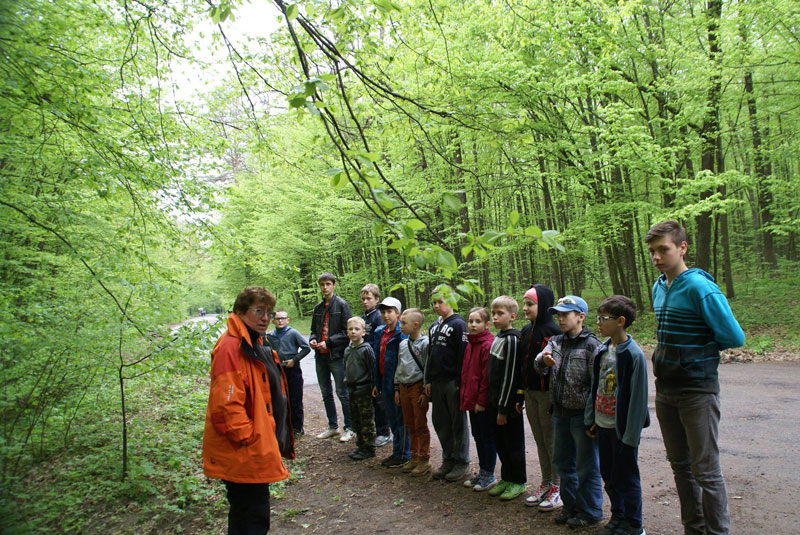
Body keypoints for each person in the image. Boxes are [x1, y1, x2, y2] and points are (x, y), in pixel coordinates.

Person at [646, 220, 744, 535]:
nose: (657, 257)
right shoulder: (658, 287)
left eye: (663, 249)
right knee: (680, 468)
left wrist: (695, 355)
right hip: (666, 390)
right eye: (652, 252)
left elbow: (733, 335)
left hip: (697, 391)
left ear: (682, 247)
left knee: (706, 471)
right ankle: (694, 528)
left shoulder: (700, 287)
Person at [202, 286, 294, 535]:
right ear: (241, 312)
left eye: (269, 312)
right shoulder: (231, 347)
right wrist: (251, 438)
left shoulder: (254, 342)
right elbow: (225, 407)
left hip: (254, 448)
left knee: (252, 514)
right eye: (259, 311)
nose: (266, 317)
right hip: (243, 452)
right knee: (251, 517)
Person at [534, 295, 603, 528]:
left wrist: (593, 417)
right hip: (559, 412)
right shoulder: (555, 341)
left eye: (566, 314)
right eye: (559, 314)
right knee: (563, 463)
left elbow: (598, 383)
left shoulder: (592, 345)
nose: (560, 319)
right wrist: (544, 360)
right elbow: (537, 363)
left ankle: (591, 510)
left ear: (581, 317)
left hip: (581, 415)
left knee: (586, 465)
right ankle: (571, 506)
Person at [586, 295, 650, 535]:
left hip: (622, 430)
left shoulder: (633, 355)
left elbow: (638, 400)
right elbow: (595, 386)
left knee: (627, 477)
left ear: (621, 321)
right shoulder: (603, 350)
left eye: (603, 318)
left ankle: (634, 524)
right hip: (603, 424)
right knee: (609, 475)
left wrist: (630, 436)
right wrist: (591, 419)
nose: (599, 323)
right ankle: (618, 517)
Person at [519, 285, 563, 511]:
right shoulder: (525, 331)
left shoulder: (554, 332)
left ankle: (558, 486)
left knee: (551, 441)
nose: (524, 308)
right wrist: (519, 394)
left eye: (530, 304)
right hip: (529, 394)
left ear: (543, 305)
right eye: (524, 303)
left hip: (547, 395)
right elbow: (521, 365)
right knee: (539, 440)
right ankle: (546, 482)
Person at [424, 286, 471, 482]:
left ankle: (462, 462)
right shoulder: (433, 326)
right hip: (437, 382)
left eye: (440, 301)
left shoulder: (459, 324)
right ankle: (448, 459)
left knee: (457, 423)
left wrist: (461, 382)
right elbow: (430, 355)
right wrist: (427, 379)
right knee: (441, 422)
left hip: (453, 382)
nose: (436, 306)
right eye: (433, 302)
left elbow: (464, 355)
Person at [486, 296, 526, 501]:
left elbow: (510, 376)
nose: (495, 317)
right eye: (493, 313)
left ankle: (518, 481)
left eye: (500, 313)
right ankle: (506, 477)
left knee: (513, 443)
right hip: (494, 402)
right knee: (500, 442)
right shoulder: (499, 337)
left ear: (512, 316)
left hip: (508, 406)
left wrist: (503, 408)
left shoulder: (512, 339)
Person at [309, 272, 355, 442]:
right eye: (322, 284)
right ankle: (332, 426)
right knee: (325, 391)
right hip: (320, 356)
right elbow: (314, 329)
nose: (325, 287)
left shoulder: (342, 305)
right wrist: (313, 339)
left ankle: (350, 427)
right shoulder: (318, 308)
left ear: (334, 285)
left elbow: (348, 332)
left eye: (328, 284)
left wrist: (328, 342)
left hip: (336, 355)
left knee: (342, 392)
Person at [460, 307, 497, 491]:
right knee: (478, 436)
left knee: (486, 437)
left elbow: (486, 377)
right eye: (471, 321)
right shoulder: (470, 344)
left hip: (482, 404)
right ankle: (483, 471)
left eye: (478, 321)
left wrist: (481, 402)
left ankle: (489, 473)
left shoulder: (487, 344)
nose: (473, 325)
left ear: (487, 324)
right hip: (471, 401)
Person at [371, 297, 411, 467]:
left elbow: (404, 363)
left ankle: (403, 453)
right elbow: (377, 359)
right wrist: (376, 383)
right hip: (384, 381)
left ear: (397, 313)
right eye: (383, 312)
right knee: (392, 419)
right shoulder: (380, 332)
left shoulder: (402, 334)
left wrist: (398, 387)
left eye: (389, 311)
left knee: (401, 419)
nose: (386, 315)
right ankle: (397, 451)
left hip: (398, 384)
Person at [394, 308, 432, 476]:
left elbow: (428, 368)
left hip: (417, 387)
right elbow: (399, 367)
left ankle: (424, 459)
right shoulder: (403, 344)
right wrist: (396, 388)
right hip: (403, 387)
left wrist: (425, 391)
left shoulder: (425, 344)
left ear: (416, 325)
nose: (400, 325)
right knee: (409, 423)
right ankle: (414, 456)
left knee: (420, 424)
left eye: (403, 323)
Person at [267, 309, 311, 436]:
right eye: (278, 319)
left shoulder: (293, 333)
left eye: (283, 318)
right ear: (273, 321)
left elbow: (306, 348)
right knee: (280, 399)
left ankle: (297, 428)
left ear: (287, 320)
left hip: (293, 370)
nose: (280, 321)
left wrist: (294, 359)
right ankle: (283, 427)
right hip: (277, 371)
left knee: (295, 399)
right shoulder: (270, 336)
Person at [360, 283, 392, 448]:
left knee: (379, 399)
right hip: (365, 362)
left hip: (375, 361)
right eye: (363, 299)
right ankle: (375, 429)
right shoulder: (364, 317)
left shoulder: (377, 317)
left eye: (369, 299)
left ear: (376, 299)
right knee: (371, 398)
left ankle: (384, 431)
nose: (365, 302)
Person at [343, 316, 377, 461]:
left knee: (366, 419)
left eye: (357, 329)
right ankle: (360, 445)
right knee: (355, 418)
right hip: (352, 389)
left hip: (364, 389)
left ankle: (369, 447)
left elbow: (372, 368)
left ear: (363, 332)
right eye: (350, 329)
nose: (353, 332)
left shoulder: (366, 349)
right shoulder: (347, 350)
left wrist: (374, 385)